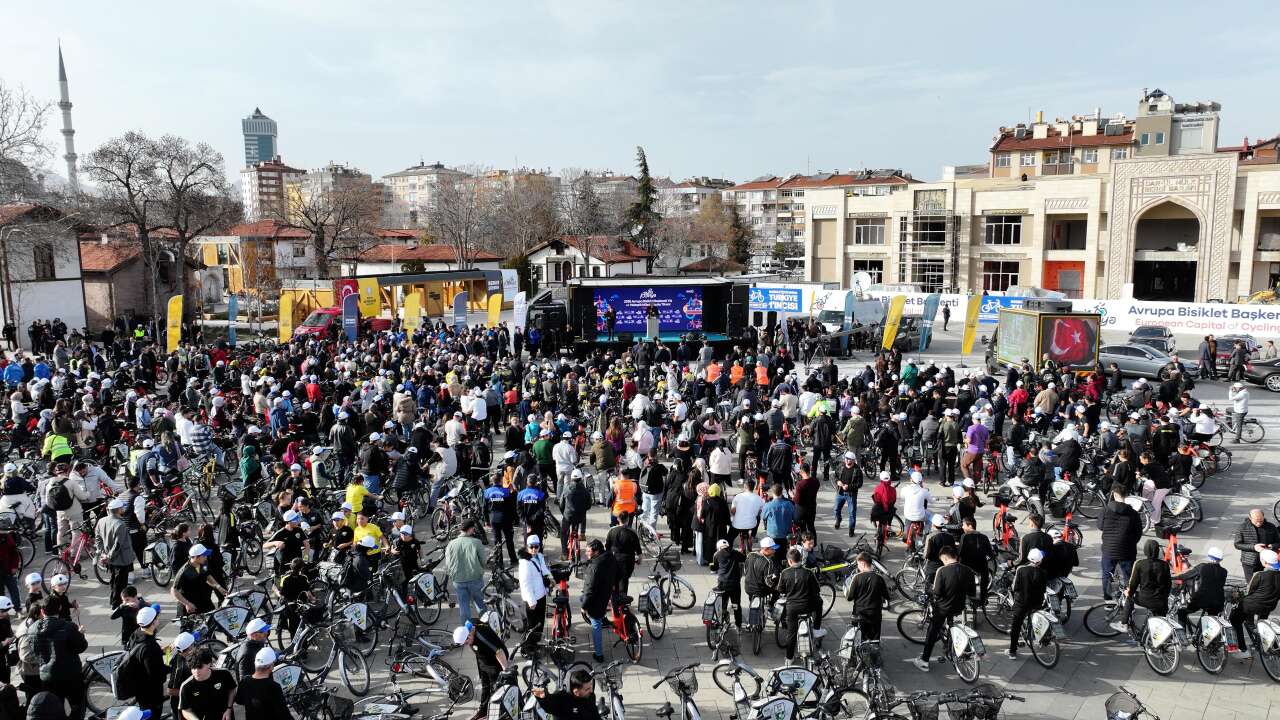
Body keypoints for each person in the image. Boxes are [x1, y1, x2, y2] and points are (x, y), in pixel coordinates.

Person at [912, 546, 974, 672]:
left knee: (932, 631)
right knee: (951, 624)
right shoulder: (968, 570)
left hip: (943, 608)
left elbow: (937, 593)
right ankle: (949, 646)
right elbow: (972, 592)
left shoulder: (942, 570)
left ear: (945, 557)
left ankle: (924, 660)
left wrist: (931, 590)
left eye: (942, 560)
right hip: (959, 606)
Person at [33, 600, 88, 720]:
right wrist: (80, 634)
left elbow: (36, 651)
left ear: (42, 611)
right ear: (59, 609)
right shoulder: (68, 627)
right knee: (77, 706)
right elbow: (81, 646)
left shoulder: (37, 630)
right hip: (71, 674)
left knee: (53, 708)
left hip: (49, 677)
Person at [1230, 549, 1280, 659]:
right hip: (1269, 605)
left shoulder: (1259, 575)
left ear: (1265, 562)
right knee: (1262, 622)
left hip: (1251, 605)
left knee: (1235, 619)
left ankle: (1243, 650)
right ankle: (1265, 643)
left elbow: (1249, 591)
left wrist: (1237, 596)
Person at [776, 546, 822, 663]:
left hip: (792, 608)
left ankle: (789, 658)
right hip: (808, 605)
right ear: (801, 559)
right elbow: (817, 589)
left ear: (790, 561)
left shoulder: (785, 573)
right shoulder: (808, 573)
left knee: (791, 633)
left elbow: (780, 589)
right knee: (819, 602)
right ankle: (816, 628)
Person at [1117, 539, 1172, 633]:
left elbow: (1133, 585)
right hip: (1161, 601)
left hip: (1144, 599)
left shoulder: (1140, 564)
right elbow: (1168, 585)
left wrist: (1128, 592)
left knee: (1130, 598)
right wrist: (1164, 597)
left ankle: (1124, 623)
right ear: (1157, 551)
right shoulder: (1164, 565)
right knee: (1160, 624)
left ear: (1145, 551)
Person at [1099, 489, 1143, 601]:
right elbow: (1138, 532)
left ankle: (1108, 601)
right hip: (1128, 550)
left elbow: (1100, 526)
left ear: (1113, 494)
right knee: (1129, 577)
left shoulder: (1105, 510)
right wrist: (1132, 542)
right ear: (1127, 495)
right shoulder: (1133, 513)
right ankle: (1128, 601)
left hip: (1109, 549)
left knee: (1107, 575)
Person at [129, 604, 169, 719]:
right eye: (157, 618)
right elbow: (157, 675)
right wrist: (169, 667)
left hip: (140, 687)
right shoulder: (150, 646)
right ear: (153, 622)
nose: (158, 619)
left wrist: (161, 652)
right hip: (151, 692)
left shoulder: (136, 634)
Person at [1007, 548, 1048, 659]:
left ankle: (1012, 651)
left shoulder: (1021, 570)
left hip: (1022, 603)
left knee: (1016, 626)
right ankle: (1041, 640)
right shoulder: (1043, 573)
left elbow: (1015, 587)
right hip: (1037, 603)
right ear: (1040, 561)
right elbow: (1044, 589)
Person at [1175, 546, 1228, 631]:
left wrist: (1173, 577)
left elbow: (1186, 575)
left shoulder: (1202, 567)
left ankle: (1182, 636)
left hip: (1201, 599)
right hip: (1218, 602)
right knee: (1212, 618)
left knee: (1181, 612)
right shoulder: (1224, 571)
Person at [580, 539, 616, 663]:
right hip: (606, 593)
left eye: (588, 551)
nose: (586, 553)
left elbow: (590, 589)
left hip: (597, 599)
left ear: (596, 551)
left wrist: (584, 606)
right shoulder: (609, 557)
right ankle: (603, 619)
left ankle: (599, 654)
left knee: (596, 625)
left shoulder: (595, 567)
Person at [96, 497, 135, 608]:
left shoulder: (101, 521)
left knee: (113, 580)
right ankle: (116, 603)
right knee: (120, 583)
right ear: (119, 510)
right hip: (121, 559)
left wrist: (103, 553)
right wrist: (108, 556)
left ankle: (113, 599)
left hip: (109, 558)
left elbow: (98, 539)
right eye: (122, 508)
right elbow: (118, 545)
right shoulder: (120, 524)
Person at [177, 647, 237, 720]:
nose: (196, 671)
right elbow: (185, 710)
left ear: (209, 664)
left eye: (200, 667)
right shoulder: (186, 686)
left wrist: (229, 708)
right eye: (193, 668)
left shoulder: (224, 674)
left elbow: (232, 689)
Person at [517, 535, 553, 653]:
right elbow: (525, 583)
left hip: (541, 594)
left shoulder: (539, 556)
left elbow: (543, 569)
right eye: (531, 547)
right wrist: (531, 601)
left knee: (540, 623)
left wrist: (550, 577)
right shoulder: (525, 563)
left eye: (536, 546)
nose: (534, 549)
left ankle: (535, 643)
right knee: (533, 626)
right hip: (532, 599)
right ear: (527, 547)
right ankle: (527, 649)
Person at [844, 552, 890, 641]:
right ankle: (874, 649)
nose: (858, 567)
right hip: (875, 613)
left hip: (859, 613)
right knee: (875, 638)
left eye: (858, 564)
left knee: (858, 635)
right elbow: (887, 596)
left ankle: (859, 650)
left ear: (863, 563)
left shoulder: (856, 578)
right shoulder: (879, 578)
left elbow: (849, 598)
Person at [234, 647, 291, 719]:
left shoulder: (245, 681)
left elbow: (239, 700)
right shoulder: (273, 687)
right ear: (271, 666)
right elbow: (284, 713)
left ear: (255, 663)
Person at [171, 544, 226, 617]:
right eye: (204, 556)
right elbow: (174, 590)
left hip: (204, 600)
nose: (206, 558)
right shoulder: (184, 572)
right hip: (191, 606)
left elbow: (207, 576)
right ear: (196, 557)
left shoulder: (203, 563)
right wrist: (187, 604)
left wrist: (218, 587)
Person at [531, 667, 601, 720]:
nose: (591, 691)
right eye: (587, 689)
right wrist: (543, 698)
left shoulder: (590, 696)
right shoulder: (562, 699)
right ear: (576, 692)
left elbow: (594, 713)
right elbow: (550, 705)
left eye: (591, 686)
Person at [1234, 509, 1280, 582]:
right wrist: (1253, 547)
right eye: (1256, 521)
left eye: (1261, 521)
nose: (1259, 523)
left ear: (1263, 517)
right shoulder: (1242, 527)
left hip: (1267, 561)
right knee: (1251, 583)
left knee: (1266, 584)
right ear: (1250, 518)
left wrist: (1272, 546)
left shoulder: (1271, 526)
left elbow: (1278, 542)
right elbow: (1237, 544)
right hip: (1249, 562)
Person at [709, 538, 745, 629]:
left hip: (722, 584)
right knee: (736, 605)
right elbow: (744, 558)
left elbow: (713, 568)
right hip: (735, 585)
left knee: (723, 603)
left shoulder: (717, 555)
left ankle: (721, 621)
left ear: (719, 547)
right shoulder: (735, 553)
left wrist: (711, 563)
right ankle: (738, 624)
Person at [605, 513, 641, 596]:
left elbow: (607, 547)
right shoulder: (633, 533)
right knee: (624, 580)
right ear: (628, 520)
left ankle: (614, 597)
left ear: (618, 519)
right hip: (628, 561)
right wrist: (639, 560)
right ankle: (623, 599)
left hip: (614, 559)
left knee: (615, 579)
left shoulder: (612, 531)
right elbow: (638, 551)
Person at [833, 451, 862, 536]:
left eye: (849, 459)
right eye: (846, 458)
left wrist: (848, 487)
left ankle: (851, 529)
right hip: (840, 493)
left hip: (851, 494)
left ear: (853, 460)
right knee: (836, 509)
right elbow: (834, 476)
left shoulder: (857, 470)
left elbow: (859, 484)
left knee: (852, 513)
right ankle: (838, 519)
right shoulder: (841, 466)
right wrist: (837, 481)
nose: (846, 460)